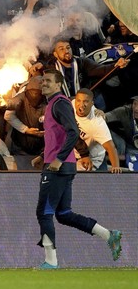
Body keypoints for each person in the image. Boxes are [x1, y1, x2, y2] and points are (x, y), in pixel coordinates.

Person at [35, 70, 122, 270]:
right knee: (63, 214)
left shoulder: (59, 103)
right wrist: (43, 155)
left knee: (44, 212)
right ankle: (109, 235)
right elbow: (57, 136)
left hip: (58, 167)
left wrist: (57, 159)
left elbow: (73, 133)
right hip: (63, 165)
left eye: (48, 81)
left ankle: (50, 262)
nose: (44, 84)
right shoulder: (54, 104)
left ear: (58, 85)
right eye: (43, 81)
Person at [72, 89, 122, 173]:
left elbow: (111, 148)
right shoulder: (72, 103)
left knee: (79, 181)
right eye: (79, 100)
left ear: (92, 103)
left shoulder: (97, 123)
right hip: (74, 152)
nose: (81, 104)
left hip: (92, 159)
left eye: (85, 101)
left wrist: (116, 167)